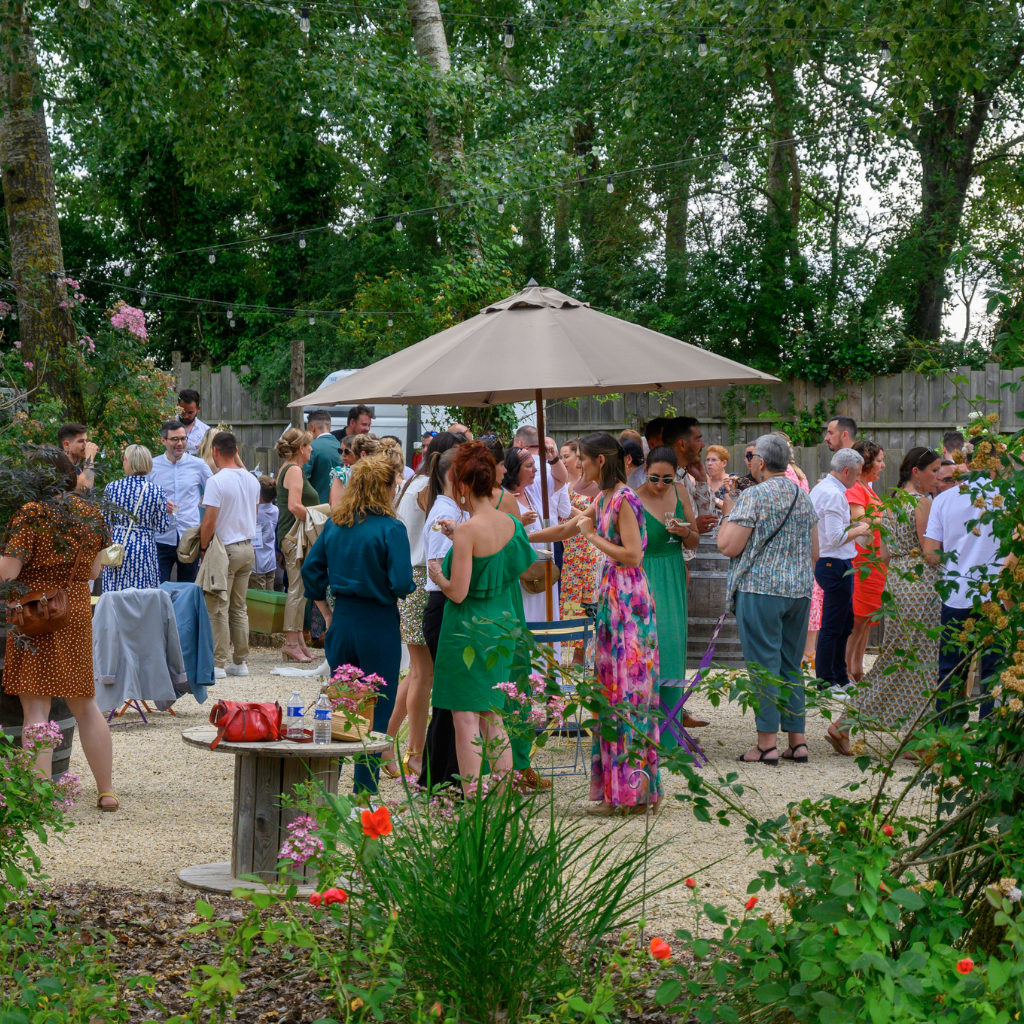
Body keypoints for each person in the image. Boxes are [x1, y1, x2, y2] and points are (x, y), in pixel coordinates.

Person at [533, 432, 661, 815]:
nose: (578, 466)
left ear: (601, 462)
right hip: (610, 599)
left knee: (628, 691)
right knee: (609, 692)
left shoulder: (624, 499)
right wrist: (514, 535)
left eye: (583, 460)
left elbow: (634, 555)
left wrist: (591, 537)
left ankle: (634, 792)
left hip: (628, 599)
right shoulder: (603, 499)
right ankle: (615, 791)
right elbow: (563, 530)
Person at [1, 449, 115, 808]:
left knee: (37, 710)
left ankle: (38, 798)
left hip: (35, 616)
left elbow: (7, 575)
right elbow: (95, 572)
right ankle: (106, 791)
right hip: (76, 612)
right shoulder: (90, 512)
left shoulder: (30, 514)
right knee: (86, 705)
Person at [427, 442, 535, 794]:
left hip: (467, 629)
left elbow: (457, 591)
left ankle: (472, 796)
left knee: (465, 717)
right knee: (494, 714)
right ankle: (504, 793)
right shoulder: (512, 521)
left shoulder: (467, 531)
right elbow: (516, 565)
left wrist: (436, 574)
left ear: (460, 486)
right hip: (502, 624)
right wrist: (455, 536)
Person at [303, 455, 415, 794]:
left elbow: (311, 571)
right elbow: (400, 582)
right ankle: (364, 791)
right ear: (384, 488)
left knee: (342, 707)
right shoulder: (391, 528)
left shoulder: (337, 524)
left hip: (343, 621)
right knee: (377, 709)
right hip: (377, 622)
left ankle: (329, 785)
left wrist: (326, 612)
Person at [826, 448, 941, 756]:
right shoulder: (922, 503)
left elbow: (886, 554)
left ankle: (854, 724)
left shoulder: (889, 505)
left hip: (897, 582)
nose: (937, 477)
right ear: (916, 472)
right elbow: (930, 553)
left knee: (899, 659)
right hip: (922, 585)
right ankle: (912, 738)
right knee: (919, 662)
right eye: (933, 470)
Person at [718, 434, 819, 766]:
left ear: (760, 462)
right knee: (791, 664)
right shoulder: (804, 498)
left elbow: (728, 547)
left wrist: (728, 514)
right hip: (799, 590)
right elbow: (815, 552)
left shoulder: (754, 496)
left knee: (763, 666)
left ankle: (766, 745)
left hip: (761, 590)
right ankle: (798, 741)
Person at [922, 459, 1003, 724]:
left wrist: (958, 557)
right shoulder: (1008, 496)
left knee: (951, 670)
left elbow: (931, 553)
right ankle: (988, 741)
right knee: (994, 670)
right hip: (997, 596)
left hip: (958, 594)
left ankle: (948, 736)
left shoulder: (945, 500)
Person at [635, 446, 701, 747]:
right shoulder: (632, 498)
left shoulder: (680, 492)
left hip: (673, 571)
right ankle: (642, 731)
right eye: (654, 478)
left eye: (666, 478)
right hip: (644, 572)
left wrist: (684, 532)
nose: (660, 485)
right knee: (647, 645)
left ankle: (670, 735)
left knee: (672, 644)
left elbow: (696, 538)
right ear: (645, 469)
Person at [383, 438, 438, 779]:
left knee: (418, 672)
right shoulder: (427, 487)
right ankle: (411, 751)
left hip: (413, 579)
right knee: (421, 673)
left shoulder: (414, 482)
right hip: (420, 580)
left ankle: (393, 744)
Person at [810, 448, 870, 697]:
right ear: (846, 471)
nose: (857, 480)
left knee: (844, 623)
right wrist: (861, 528)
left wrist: (851, 528)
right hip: (834, 563)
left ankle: (839, 676)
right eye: (856, 475)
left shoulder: (822, 489)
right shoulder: (834, 494)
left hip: (833, 563)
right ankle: (826, 683)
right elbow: (835, 537)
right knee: (833, 626)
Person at [201, 432, 260, 678]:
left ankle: (218, 662)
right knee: (239, 607)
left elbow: (210, 521)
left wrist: (203, 549)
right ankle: (241, 661)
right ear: (236, 450)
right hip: (248, 547)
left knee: (218, 608)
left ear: (215, 452)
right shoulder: (252, 480)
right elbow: (254, 513)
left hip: (225, 549)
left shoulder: (216, 481)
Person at [842, 440, 888, 682]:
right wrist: (891, 519)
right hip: (863, 562)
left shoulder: (868, 488)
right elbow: (861, 520)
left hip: (874, 561)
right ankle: (847, 670)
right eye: (879, 460)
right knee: (857, 619)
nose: (882, 465)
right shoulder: (856, 489)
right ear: (867, 463)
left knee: (867, 619)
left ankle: (857, 668)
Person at [150, 419, 212, 584]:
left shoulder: (198, 465)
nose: (180, 443)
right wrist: (159, 504)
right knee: (159, 589)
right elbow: (141, 498)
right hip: (161, 536)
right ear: (163, 440)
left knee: (187, 588)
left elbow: (215, 492)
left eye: (183, 438)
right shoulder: (152, 466)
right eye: (175, 439)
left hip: (189, 537)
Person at [101, 444, 169, 592]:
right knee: (144, 598)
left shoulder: (112, 487)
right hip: (145, 550)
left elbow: (104, 523)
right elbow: (163, 527)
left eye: (124, 459)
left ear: (128, 461)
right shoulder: (157, 491)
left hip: (117, 549)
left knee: (116, 597)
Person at [276, 427, 318, 664]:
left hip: (292, 536)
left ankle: (298, 639)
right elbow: (294, 506)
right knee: (297, 589)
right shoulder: (294, 470)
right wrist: (317, 519)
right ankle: (291, 642)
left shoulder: (291, 469)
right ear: (301, 448)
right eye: (309, 445)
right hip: (294, 537)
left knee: (300, 589)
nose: (312, 448)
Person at [663, 417, 719, 552]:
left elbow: (706, 516)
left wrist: (701, 481)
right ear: (682, 444)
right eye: (698, 440)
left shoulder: (685, 475)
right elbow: (659, 531)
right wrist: (691, 528)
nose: (703, 445)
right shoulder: (662, 481)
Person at [304, 410, 342, 503]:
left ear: (312, 428)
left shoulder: (311, 447)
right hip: (341, 506)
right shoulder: (343, 446)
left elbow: (303, 479)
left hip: (317, 507)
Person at [252, 476, 279, 590]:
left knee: (258, 598)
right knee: (269, 594)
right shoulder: (275, 510)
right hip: (270, 560)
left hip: (257, 564)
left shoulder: (255, 513)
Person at [58, 422, 98, 492]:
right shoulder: (60, 467)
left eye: (86, 441)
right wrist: (90, 457)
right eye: (80, 441)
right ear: (67, 445)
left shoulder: (81, 468)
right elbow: (85, 488)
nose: (85, 445)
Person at [177, 389, 210, 455]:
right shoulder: (166, 426)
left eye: (190, 412)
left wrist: (205, 449)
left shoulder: (205, 430)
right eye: (183, 412)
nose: (186, 416)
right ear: (177, 407)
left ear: (198, 409)